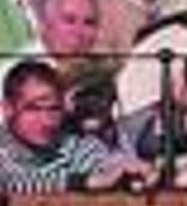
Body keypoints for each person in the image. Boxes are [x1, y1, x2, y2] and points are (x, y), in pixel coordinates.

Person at [0, 57, 153, 193]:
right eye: (33, 109)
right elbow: (12, 182)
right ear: (7, 109)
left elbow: (105, 168)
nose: (46, 120)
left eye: (54, 109)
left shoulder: (78, 147)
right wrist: (86, 181)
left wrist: (132, 175)